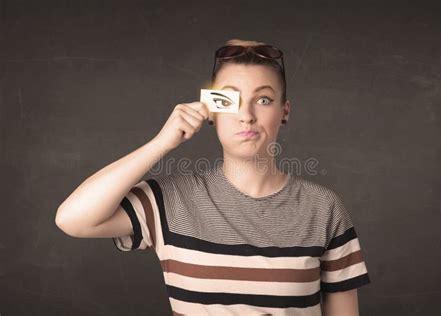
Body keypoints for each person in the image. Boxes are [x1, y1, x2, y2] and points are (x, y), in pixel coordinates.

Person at [55, 38, 371, 315]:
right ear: (212, 110)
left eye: (263, 100)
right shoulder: (171, 201)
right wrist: (162, 142)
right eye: (231, 100)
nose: (247, 115)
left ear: (284, 111)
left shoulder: (323, 208)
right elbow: (73, 219)